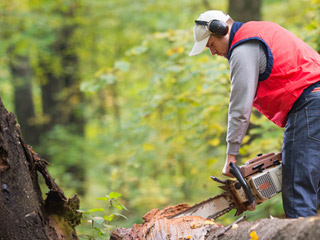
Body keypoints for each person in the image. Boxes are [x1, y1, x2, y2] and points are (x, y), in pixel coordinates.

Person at [189, 10, 320, 218]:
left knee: (298, 191)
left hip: (310, 105)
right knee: (313, 187)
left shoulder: (243, 48)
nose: (213, 52)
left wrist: (231, 155)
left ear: (220, 30)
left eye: (211, 44)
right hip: (313, 101)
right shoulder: (260, 30)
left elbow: (240, 106)